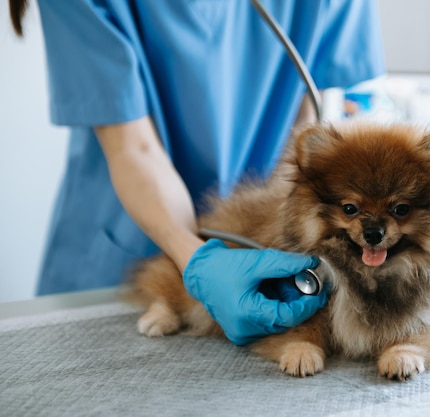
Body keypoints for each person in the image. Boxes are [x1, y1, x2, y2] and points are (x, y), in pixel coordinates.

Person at [9, 0, 385, 344]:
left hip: (262, 241)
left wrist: (273, 233)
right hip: (123, 254)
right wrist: (200, 264)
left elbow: (306, 123)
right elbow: (133, 146)